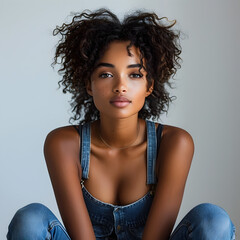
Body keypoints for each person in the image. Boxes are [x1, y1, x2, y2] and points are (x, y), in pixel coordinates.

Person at [7, 8, 235, 240]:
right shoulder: (64, 144)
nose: (120, 86)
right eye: (106, 74)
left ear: (150, 85)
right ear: (89, 84)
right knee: (30, 219)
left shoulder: (174, 143)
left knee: (212, 220)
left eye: (134, 75)